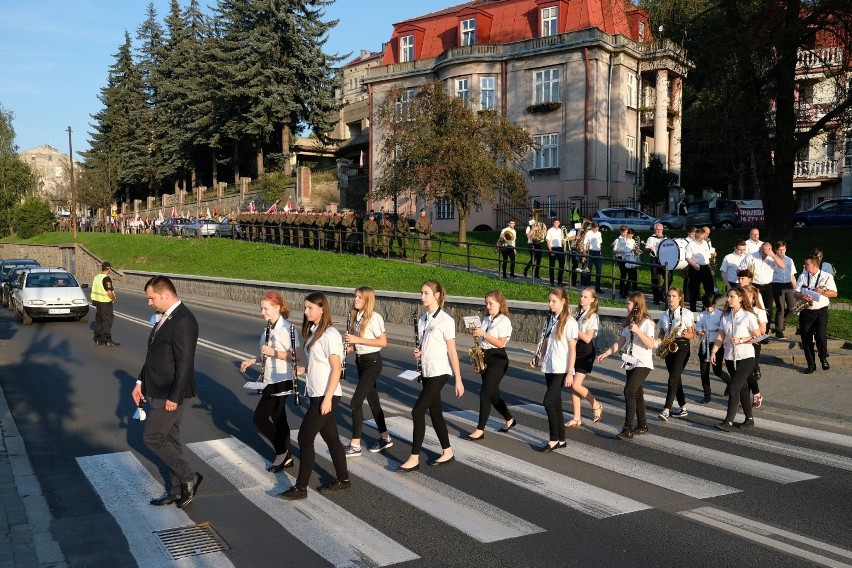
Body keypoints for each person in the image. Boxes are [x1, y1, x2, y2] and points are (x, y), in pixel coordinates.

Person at [132, 276, 201, 509]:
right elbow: (154, 355)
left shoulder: (183, 320)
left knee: (152, 437)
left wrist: (175, 396)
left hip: (171, 392)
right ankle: (175, 489)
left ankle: (189, 477)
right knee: (170, 439)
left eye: (152, 298)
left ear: (166, 295)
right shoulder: (166, 317)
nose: (149, 303)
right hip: (156, 388)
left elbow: (185, 364)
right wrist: (139, 382)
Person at [278, 292, 350, 499]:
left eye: (310, 308)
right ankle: (344, 480)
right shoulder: (313, 331)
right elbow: (319, 363)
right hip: (317, 391)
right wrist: (304, 370)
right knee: (332, 439)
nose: (306, 311)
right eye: (305, 307)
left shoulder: (330, 335)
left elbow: (336, 369)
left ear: (322, 309)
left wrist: (328, 399)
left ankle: (301, 488)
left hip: (326, 395)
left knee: (304, 438)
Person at [399, 280, 464, 471]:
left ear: (436, 295)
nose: (422, 297)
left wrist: (458, 380)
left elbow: (452, 351)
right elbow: (427, 345)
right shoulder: (422, 320)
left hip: (439, 371)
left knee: (417, 412)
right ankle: (448, 451)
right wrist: (419, 352)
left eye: (426, 293)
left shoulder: (446, 320)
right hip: (426, 371)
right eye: (421, 293)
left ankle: (414, 457)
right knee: (435, 413)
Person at [239, 291, 298, 473]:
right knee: (279, 419)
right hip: (269, 379)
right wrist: (253, 360)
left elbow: (297, 355)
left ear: (277, 307)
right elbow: (265, 353)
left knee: (260, 418)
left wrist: (274, 353)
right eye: (261, 308)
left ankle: (282, 452)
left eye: (265, 308)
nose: (262, 312)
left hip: (281, 379)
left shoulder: (287, 329)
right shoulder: (268, 329)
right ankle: (286, 456)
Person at [597, 291, 656, 440]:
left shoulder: (647, 322)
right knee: (637, 393)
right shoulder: (631, 321)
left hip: (643, 362)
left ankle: (628, 429)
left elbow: (650, 344)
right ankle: (642, 425)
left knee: (629, 391)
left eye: (628, 304)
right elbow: (622, 341)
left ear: (637, 305)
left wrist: (638, 332)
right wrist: (607, 353)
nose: (626, 306)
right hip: (631, 362)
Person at [342, 287, 393, 456]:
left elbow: (383, 342)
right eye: (355, 296)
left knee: (355, 402)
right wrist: (351, 346)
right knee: (373, 402)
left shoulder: (374, 317)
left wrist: (357, 339)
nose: (355, 299)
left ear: (367, 300)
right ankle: (385, 437)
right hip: (360, 361)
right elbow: (360, 344)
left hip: (372, 363)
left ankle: (355, 444)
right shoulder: (357, 316)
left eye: (359, 297)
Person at [530, 288, 577, 451]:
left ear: (563, 302)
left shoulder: (570, 322)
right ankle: (562, 439)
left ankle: (553, 438)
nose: (550, 304)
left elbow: (573, 350)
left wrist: (570, 372)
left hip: (561, 368)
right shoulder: (550, 319)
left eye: (553, 301)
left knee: (548, 401)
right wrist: (538, 356)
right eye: (549, 301)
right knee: (556, 403)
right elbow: (546, 342)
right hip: (549, 365)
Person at [710, 287, 761, 431]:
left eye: (731, 296)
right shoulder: (725, 316)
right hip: (730, 357)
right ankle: (749, 419)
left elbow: (758, 337)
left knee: (733, 387)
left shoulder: (748, 316)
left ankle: (728, 421)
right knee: (743, 388)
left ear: (740, 298)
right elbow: (721, 335)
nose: (728, 299)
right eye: (728, 296)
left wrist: (741, 339)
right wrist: (714, 351)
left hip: (746, 356)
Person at [467, 290, 515, 440]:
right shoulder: (487, 319)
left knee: (485, 393)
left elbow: (500, 343)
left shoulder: (504, 321)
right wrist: (477, 335)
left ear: (500, 304)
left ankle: (480, 430)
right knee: (493, 395)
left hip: (498, 359)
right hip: (485, 357)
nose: (488, 306)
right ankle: (509, 419)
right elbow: (483, 339)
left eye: (490, 303)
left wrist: (484, 334)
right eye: (486, 303)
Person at [564, 288, 603, 429]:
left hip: (585, 352)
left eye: (585, 297)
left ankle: (596, 404)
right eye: (581, 296)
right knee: (573, 387)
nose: (582, 299)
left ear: (592, 300)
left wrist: (574, 327)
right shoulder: (576, 312)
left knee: (576, 385)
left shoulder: (593, 316)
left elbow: (587, 338)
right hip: (574, 349)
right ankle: (577, 417)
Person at [794, 255, 838, 374]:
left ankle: (823, 357)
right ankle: (811, 364)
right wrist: (802, 296)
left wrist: (823, 291)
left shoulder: (826, 276)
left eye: (806, 264)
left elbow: (834, 294)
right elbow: (795, 293)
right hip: (806, 311)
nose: (804, 266)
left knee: (820, 336)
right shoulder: (803, 276)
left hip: (821, 311)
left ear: (814, 266)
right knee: (806, 338)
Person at [656, 288, 695, 420]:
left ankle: (666, 409)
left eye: (673, 296)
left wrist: (686, 334)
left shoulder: (687, 314)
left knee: (672, 379)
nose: (670, 298)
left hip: (682, 346)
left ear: (680, 298)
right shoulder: (664, 314)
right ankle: (683, 407)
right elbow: (662, 332)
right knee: (675, 378)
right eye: (669, 296)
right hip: (669, 346)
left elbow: (692, 334)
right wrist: (659, 341)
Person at [695, 292, 729, 403]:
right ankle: (707, 394)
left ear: (714, 304)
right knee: (704, 371)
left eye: (711, 306)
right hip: (705, 344)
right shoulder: (701, 315)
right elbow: (698, 327)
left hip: (716, 345)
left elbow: (723, 329)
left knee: (717, 370)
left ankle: (730, 383)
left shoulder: (720, 314)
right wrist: (699, 331)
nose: (709, 309)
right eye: (706, 307)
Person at [750, 241, 785, 331]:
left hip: (767, 286)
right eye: (762, 252)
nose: (764, 255)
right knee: (754, 309)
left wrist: (773, 255)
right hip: (755, 286)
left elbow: (782, 266)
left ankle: (765, 332)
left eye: (766, 253)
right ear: (760, 249)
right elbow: (740, 269)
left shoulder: (772, 257)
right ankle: (755, 331)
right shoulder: (751, 256)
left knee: (768, 310)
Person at [743, 285, 768, 408]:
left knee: (748, 372)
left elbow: (763, 330)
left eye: (746, 296)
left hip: (754, 344)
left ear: (753, 297)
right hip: (740, 345)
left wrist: (751, 336)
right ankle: (744, 400)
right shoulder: (739, 310)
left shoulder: (759, 311)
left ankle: (756, 394)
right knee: (741, 374)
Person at [771, 241, 797, 339]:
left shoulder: (789, 260)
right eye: (780, 250)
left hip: (788, 285)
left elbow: (792, 275)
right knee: (780, 308)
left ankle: (781, 320)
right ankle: (779, 331)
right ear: (775, 251)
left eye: (784, 249)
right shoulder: (772, 260)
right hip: (777, 284)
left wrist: (796, 288)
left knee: (793, 307)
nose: (782, 252)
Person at [685, 228, 714, 312]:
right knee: (694, 289)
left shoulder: (705, 243)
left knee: (709, 288)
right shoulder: (691, 245)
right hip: (695, 268)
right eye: (699, 238)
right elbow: (687, 258)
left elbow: (707, 256)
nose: (701, 239)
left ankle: (706, 307)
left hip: (705, 267)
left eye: (702, 237)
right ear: (696, 235)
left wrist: (709, 266)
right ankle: (693, 310)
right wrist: (694, 265)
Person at [91, 261, 119, 346]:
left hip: (97, 302)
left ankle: (98, 339)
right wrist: (113, 298)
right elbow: (109, 292)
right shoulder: (106, 278)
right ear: (108, 268)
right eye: (110, 268)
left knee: (99, 320)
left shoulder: (96, 277)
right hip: (105, 303)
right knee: (107, 321)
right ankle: (108, 340)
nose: (110, 270)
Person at [645, 223, 667, 304]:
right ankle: (656, 298)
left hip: (664, 259)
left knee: (669, 278)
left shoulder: (666, 238)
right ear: (654, 230)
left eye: (660, 230)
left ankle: (662, 293)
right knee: (655, 279)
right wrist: (650, 249)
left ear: (662, 230)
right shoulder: (651, 238)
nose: (658, 231)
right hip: (654, 259)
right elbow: (646, 249)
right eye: (657, 230)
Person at [581, 221, 603, 292]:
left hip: (597, 253)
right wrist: (584, 254)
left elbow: (600, 244)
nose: (596, 229)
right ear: (592, 227)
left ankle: (598, 287)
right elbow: (584, 244)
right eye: (595, 228)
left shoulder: (599, 233)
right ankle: (587, 287)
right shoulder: (588, 233)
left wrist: (600, 252)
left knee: (599, 270)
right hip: (590, 252)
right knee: (589, 270)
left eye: (597, 228)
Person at [523, 214, 547, 279]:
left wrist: (543, 228)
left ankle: (536, 274)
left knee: (539, 260)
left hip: (539, 244)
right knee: (533, 259)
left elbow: (543, 233)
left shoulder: (540, 225)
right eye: (531, 218)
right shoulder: (529, 227)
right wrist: (533, 229)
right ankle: (526, 269)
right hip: (531, 244)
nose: (532, 220)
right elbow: (527, 236)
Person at [545, 218, 566, 286]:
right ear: (553, 223)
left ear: (559, 223)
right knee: (552, 265)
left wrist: (564, 241)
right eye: (555, 222)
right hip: (553, 248)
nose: (556, 224)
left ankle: (559, 281)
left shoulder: (561, 231)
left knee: (562, 264)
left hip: (560, 248)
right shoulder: (550, 230)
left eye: (557, 223)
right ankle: (551, 281)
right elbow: (548, 241)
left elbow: (562, 240)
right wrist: (551, 250)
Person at [612, 225, 631, 298]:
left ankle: (625, 291)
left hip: (628, 257)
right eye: (623, 232)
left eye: (626, 232)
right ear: (621, 232)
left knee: (629, 275)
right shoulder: (618, 240)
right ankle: (621, 292)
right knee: (623, 275)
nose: (625, 234)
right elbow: (613, 251)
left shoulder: (628, 239)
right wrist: (619, 251)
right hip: (620, 257)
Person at [622, 228, 640, 297]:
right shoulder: (625, 241)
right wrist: (631, 251)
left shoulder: (633, 241)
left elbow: (634, 249)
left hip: (633, 260)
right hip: (628, 260)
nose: (630, 235)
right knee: (630, 277)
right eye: (628, 234)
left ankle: (635, 291)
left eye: (631, 234)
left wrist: (636, 250)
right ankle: (625, 292)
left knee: (634, 277)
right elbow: (624, 252)